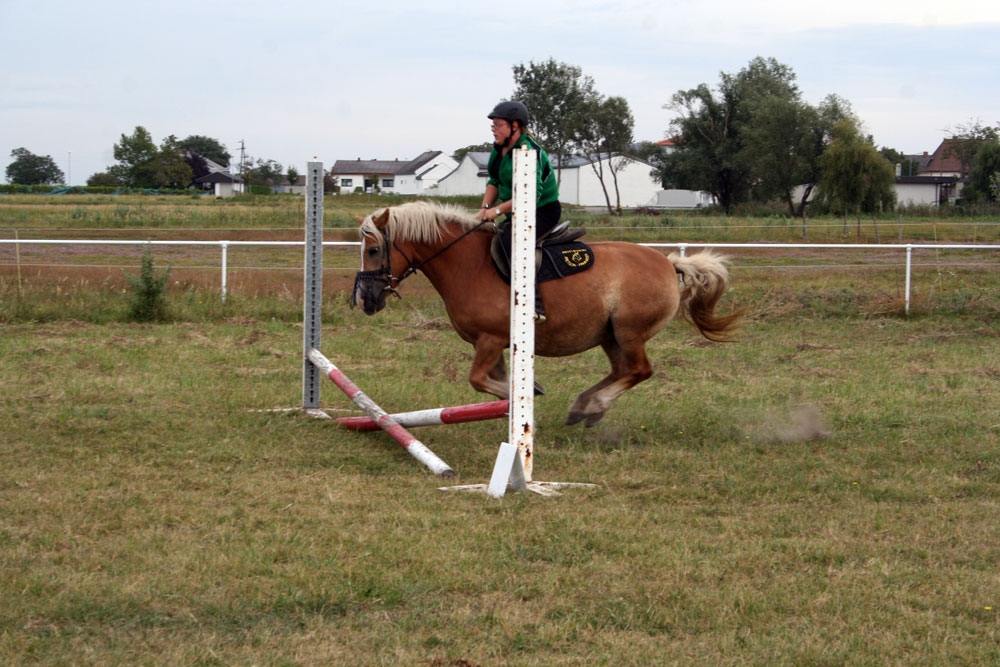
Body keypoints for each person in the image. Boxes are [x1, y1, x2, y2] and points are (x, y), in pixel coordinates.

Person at [475, 101, 560, 322]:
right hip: (516, 210)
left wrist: (497, 210)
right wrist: (484, 208)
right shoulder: (499, 150)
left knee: (512, 244)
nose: (493, 129)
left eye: (498, 124)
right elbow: (493, 181)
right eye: (492, 125)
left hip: (542, 210)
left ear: (515, 126)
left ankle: (534, 303)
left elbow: (529, 195)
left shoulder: (529, 151)